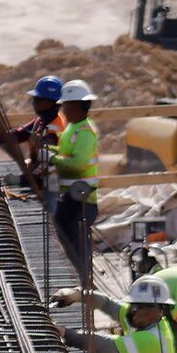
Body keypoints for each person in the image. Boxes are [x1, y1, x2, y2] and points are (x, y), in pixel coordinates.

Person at [60, 271, 177, 353]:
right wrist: (78, 294)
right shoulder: (147, 321)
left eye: (136, 306)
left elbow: (104, 344)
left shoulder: (151, 340)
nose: (131, 310)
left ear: (157, 310)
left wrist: (65, 333)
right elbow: (107, 304)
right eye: (132, 305)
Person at [50, 79, 102, 279]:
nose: (62, 109)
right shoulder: (73, 128)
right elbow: (66, 153)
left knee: (78, 247)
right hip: (70, 199)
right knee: (68, 241)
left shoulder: (85, 132)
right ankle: (80, 281)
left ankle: (84, 283)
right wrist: (50, 150)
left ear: (76, 106)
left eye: (65, 105)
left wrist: (52, 158)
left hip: (82, 202)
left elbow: (78, 163)